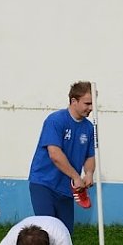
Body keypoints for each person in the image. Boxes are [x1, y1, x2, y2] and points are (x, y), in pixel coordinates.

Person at [27, 81, 96, 234]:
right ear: (74, 101)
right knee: (46, 231)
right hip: (44, 183)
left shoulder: (89, 127)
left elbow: (90, 155)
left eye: (93, 104)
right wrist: (76, 176)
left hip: (66, 188)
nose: (91, 108)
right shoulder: (55, 120)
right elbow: (55, 154)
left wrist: (89, 173)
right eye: (87, 103)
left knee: (64, 234)